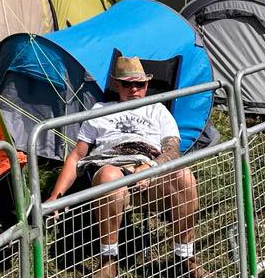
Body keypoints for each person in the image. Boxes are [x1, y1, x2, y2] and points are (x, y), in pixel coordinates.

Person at [46, 56, 201, 278]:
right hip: (112, 165)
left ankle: (186, 258)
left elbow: (172, 150)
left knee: (184, 176)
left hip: (149, 171)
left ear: (147, 85)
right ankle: (108, 260)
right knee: (110, 176)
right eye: (128, 84)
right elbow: (76, 156)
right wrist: (56, 196)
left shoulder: (157, 109)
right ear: (116, 84)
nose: (134, 89)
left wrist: (149, 167)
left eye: (140, 84)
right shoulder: (100, 110)